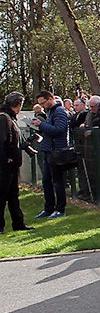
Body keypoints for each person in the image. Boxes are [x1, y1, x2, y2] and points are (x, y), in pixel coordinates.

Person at [34, 91, 70, 219]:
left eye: (43, 103)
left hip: (57, 151)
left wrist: (41, 125)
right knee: (46, 181)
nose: (42, 106)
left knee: (57, 181)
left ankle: (60, 209)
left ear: (50, 99)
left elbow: (59, 130)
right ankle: (48, 208)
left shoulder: (59, 111)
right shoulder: (50, 112)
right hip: (49, 149)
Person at [2, 93, 32, 232]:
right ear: (19, 104)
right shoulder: (4, 118)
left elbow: (16, 138)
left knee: (13, 195)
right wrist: (6, 158)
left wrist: (25, 146)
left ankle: (18, 223)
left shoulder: (10, 118)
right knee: (2, 194)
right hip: (5, 165)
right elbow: (2, 142)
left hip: (12, 164)